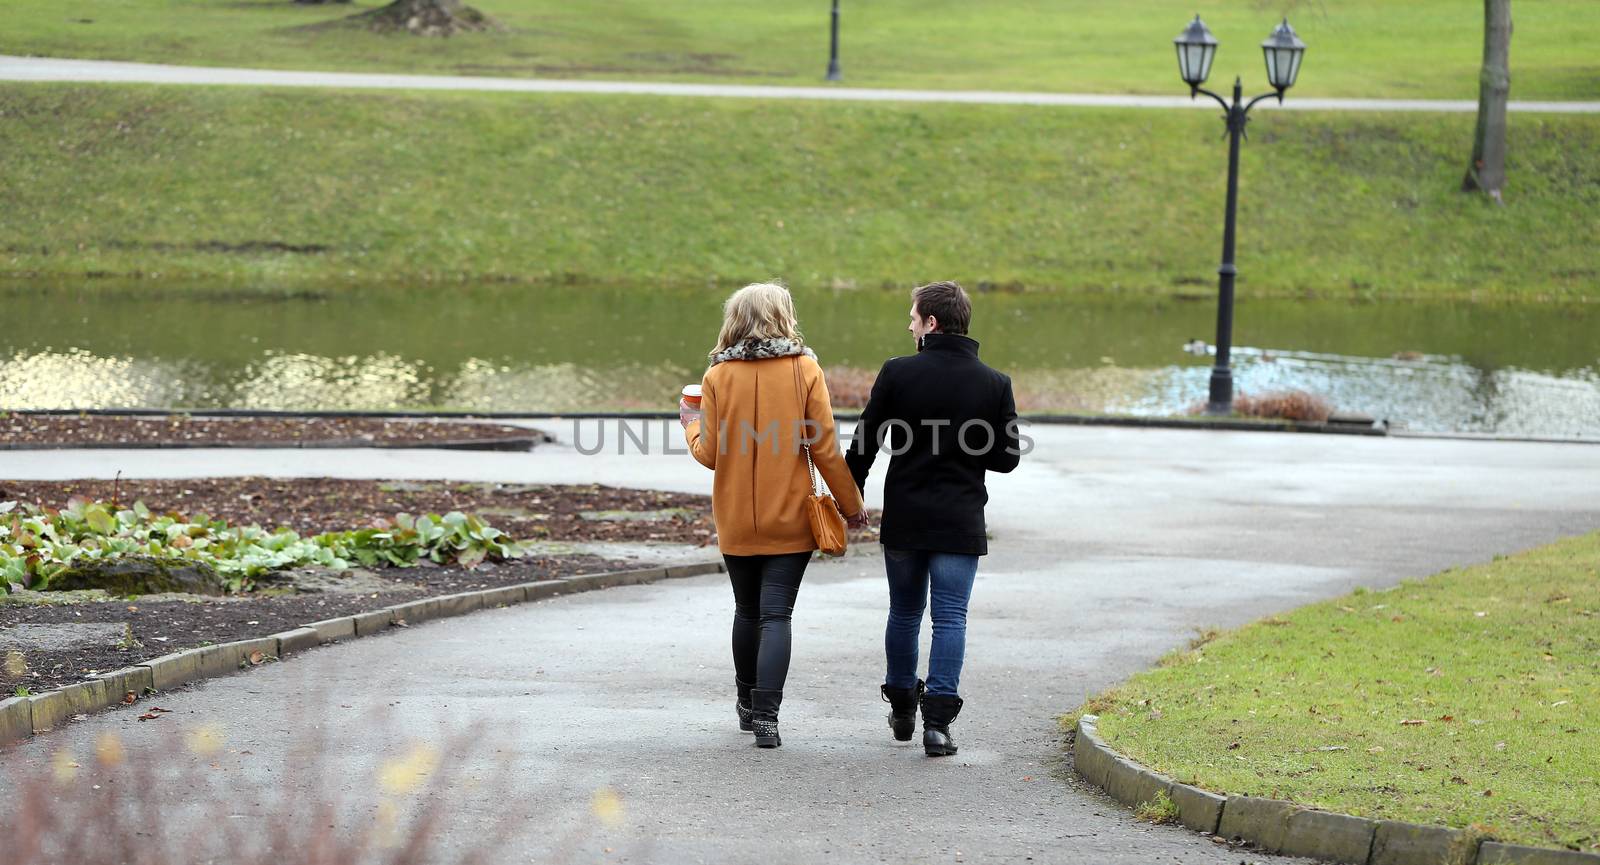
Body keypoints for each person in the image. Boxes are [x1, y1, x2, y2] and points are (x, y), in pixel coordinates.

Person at [681, 282, 869, 748]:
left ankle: (745, 704)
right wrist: (852, 506)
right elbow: (824, 448)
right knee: (776, 614)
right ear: (783, 316)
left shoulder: (717, 377)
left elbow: (710, 455)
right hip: (791, 516)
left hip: (737, 517)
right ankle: (767, 717)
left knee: (747, 611)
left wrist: (689, 425)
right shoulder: (805, 369)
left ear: (736, 319)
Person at [845, 281, 1022, 757]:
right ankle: (937, 726)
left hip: (906, 514)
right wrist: (967, 441)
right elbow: (1007, 460)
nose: (908, 324)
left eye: (913, 316)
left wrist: (849, 495)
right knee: (950, 618)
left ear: (932, 324)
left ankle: (902, 707)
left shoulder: (899, 373)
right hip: (960, 519)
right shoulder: (994, 383)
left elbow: (865, 442)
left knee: (904, 611)